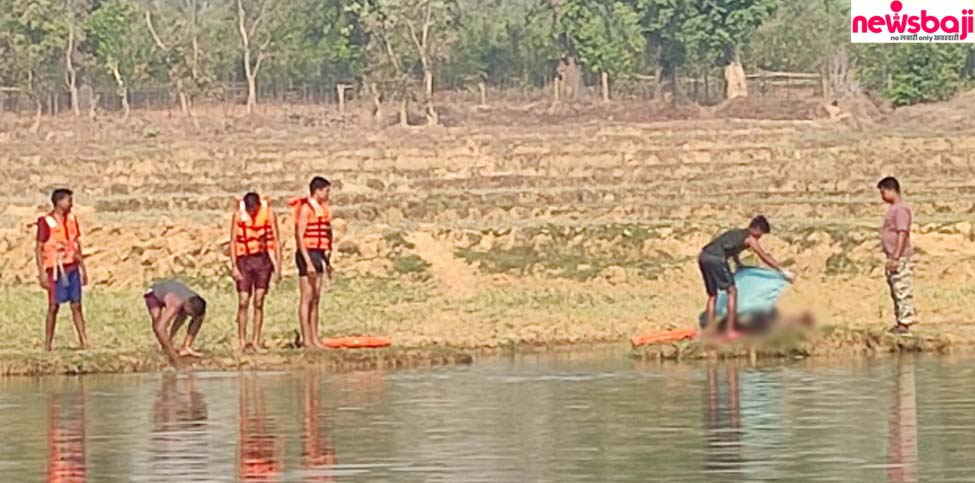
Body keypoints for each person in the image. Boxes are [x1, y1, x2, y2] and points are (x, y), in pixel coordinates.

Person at [698, 215, 795, 340]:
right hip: (717, 259)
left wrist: (738, 264)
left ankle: (708, 331)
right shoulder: (750, 239)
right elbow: (763, 256)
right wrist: (783, 271)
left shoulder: (736, 233)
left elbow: (731, 250)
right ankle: (730, 331)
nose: (760, 237)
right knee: (732, 291)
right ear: (757, 229)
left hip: (703, 256)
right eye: (761, 234)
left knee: (712, 295)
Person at [35, 188, 90, 351]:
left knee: (76, 305)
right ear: (59, 202)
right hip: (55, 269)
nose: (71, 204)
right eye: (68, 200)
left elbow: (76, 245)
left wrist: (83, 268)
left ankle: (84, 340)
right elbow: (38, 248)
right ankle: (48, 344)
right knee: (53, 306)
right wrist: (42, 273)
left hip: (72, 266)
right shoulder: (46, 222)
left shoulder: (72, 219)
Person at [230, 192, 282, 353]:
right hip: (244, 260)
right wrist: (234, 266)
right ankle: (241, 341)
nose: (252, 213)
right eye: (250, 209)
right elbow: (232, 241)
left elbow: (276, 240)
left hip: (263, 260)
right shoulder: (238, 216)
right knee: (243, 301)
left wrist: (278, 266)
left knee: (259, 301)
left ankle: (256, 341)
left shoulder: (268, 214)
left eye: (254, 209)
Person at [289, 177, 334, 350]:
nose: (328, 194)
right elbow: (299, 236)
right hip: (306, 254)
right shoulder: (306, 210)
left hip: (319, 254)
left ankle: (315, 338)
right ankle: (306, 339)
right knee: (307, 297)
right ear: (318, 191)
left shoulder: (322, 210)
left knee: (316, 298)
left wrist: (327, 263)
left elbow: (326, 237)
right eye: (327, 191)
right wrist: (307, 262)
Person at [878, 177, 917, 334]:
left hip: (899, 257)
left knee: (902, 288)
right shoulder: (894, 209)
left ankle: (905, 322)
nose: (882, 196)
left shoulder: (901, 209)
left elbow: (902, 233)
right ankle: (900, 320)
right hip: (892, 256)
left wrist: (896, 257)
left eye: (883, 192)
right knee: (896, 289)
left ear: (890, 190)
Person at [144, 279, 207, 366]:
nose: (190, 316)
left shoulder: (195, 299)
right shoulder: (176, 303)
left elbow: (191, 313)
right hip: (154, 295)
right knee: (157, 319)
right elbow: (160, 329)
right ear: (187, 306)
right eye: (190, 314)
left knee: (199, 316)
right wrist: (174, 356)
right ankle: (165, 347)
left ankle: (186, 347)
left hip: (176, 294)